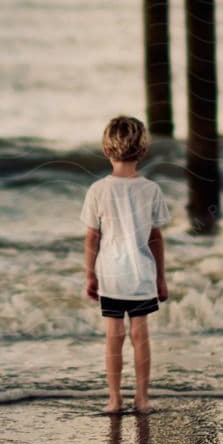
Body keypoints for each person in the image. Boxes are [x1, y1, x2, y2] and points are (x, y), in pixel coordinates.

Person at [79, 114, 170, 414]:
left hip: (111, 276)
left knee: (113, 337)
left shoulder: (98, 190)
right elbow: (156, 238)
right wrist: (161, 279)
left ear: (106, 150)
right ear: (143, 151)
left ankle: (114, 399)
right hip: (142, 275)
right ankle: (142, 399)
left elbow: (92, 238)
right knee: (140, 336)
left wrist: (89, 275)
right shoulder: (151, 189)